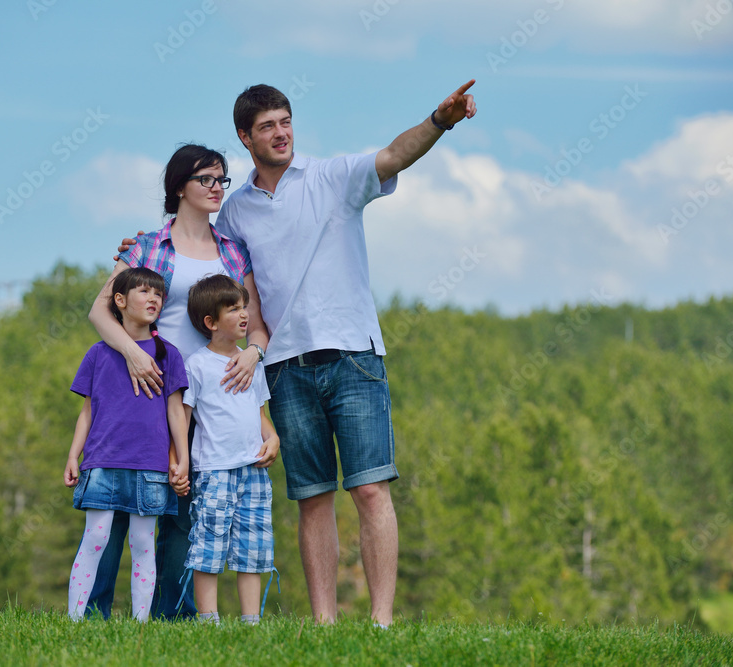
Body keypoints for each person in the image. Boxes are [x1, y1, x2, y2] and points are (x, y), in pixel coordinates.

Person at [119, 81, 477, 626]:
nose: (280, 132)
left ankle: (380, 625)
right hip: (283, 369)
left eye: (285, 121)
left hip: (353, 355)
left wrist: (439, 120)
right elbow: (195, 247)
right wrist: (138, 253)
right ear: (245, 137)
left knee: (372, 490)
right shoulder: (235, 212)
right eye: (267, 126)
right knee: (312, 498)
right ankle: (324, 626)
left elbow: (395, 153)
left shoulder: (333, 177)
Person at [85, 144, 271, 620]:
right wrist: (133, 357)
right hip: (148, 393)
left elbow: (257, 325)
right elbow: (100, 311)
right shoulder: (146, 246)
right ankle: (93, 613)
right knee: (125, 505)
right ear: (179, 187)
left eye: (220, 180)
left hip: (212, 400)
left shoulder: (233, 251)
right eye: (205, 179)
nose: (215, 189)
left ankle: (174, 616)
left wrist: (253, 355)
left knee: (186, 510)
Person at [64, 266, 190, 622]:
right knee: (95, 538)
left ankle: (140, 624)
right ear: (119, 301)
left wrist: (181, 459)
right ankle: (75, 620)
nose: (153, 298)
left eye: (158, 294)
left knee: (143, 544)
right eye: (143, 292)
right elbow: (87, 411)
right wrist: (74, 455)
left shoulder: (170, 355)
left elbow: (176, 413)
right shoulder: (98, 354)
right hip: (101, 463)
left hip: (150, 467)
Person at [181, 274, 280, 624]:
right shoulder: (196, 365)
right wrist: (178, 459)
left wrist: (274, 438)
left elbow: (260, 415)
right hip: (215, 470)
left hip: (254, 470)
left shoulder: (253, 364)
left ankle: (251, 622)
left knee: (252, 547)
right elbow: (183, 417)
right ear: (210, 322)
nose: (244, 315)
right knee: (208, 546)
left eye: (244, 307)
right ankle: (208, 620)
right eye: (233, 309)